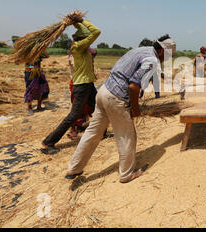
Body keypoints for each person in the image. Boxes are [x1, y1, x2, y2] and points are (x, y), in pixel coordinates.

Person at [65, 35, 176, 183]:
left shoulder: (142, 50)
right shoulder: (153, 60)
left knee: (92, 133)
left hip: (104, 92)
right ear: (162, 51)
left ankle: (74, 168)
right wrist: (136, 108)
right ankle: (126, 174)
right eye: (169, 55)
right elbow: (133, 85)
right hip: (117, 99)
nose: (168, 58)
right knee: (127, 137)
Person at [41, 15, 100, 154]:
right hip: (81, 86)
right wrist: (82, 21)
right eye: (87, 39)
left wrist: (75, 23)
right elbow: (96, 32)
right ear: (82, 40)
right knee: (74, 115)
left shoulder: (81, 47)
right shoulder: (78, 47)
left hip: (88, 84)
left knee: (98, 108)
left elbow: (90, 35)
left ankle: (101, 133)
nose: (90, 41)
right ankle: (48, 141)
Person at [67, 44, 98, 139]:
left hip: (87, 82)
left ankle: (81, 126)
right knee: (78, 109)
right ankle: (73, 129)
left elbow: (94, 52)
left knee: (90, 106)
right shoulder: (75, 55)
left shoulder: (85, 54)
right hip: (79, 84)